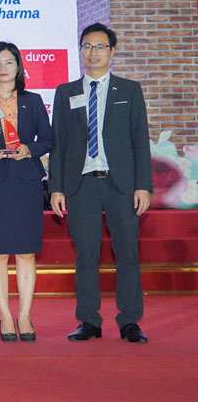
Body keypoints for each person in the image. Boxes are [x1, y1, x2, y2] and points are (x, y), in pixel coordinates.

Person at [49, 23, 152, 344]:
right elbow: (58, 144)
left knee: (128, 254)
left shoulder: (129, 90)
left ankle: (130, 320)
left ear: (112, 51)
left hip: (121, 186)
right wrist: (56, 188)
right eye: (87, 46)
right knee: (86, 256)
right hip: (81, 185)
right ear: (80, 51)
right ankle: (89, 320)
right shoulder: (66, 92)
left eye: (100, 46)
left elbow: (140, 140)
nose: (93, 52)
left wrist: (143, 185)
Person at [0, 42, 52, 342]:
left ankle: (24, 315)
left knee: (26, 251)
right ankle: (4, 315)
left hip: (26, 181)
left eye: (9, 62)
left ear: (19, 67)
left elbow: (48, 139)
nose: (3, 68)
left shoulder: (34, 101)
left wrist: (29, 149)